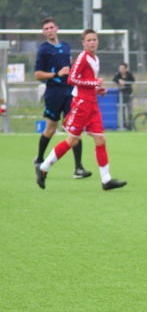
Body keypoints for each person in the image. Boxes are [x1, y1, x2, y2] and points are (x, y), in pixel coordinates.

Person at [35, 29, 127, 191]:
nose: (92, 42)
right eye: (89, 40)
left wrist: (98, 89)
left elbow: (88, 81)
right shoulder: (82, 58)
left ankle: (106, 180)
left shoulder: (95, 58)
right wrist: (94, 83)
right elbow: (72, 79)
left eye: (94, 39)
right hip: (81, 105)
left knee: (101, 140)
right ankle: (44, 167)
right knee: (73, 140)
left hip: (92, 104)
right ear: (83, 43)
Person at [33, 17, 92, 180]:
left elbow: (71, 68)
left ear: (56, 28)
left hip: (69, 93)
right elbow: (37, 74)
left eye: (51, 27)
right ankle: (39, 159)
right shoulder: (43, 49)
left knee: (75, 129)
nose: (49, 30)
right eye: (46, 29)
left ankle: (78, 168)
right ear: (43, 32)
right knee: (51, 128)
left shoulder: (66, 47)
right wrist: (55, 74)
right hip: (53, 92)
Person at [112, 62, 135, 130]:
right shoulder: (118, 75)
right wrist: (119, 80)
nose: (121, 69)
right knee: (122, 111)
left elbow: (133, 81)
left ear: (125, 69)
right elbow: (114, 79)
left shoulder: (129, 74)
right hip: (121, 95)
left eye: (122, 68)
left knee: (130, 111)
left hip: (128, 95)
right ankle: (123, 125)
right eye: (120, 68)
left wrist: (125, 83)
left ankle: (130, 126)